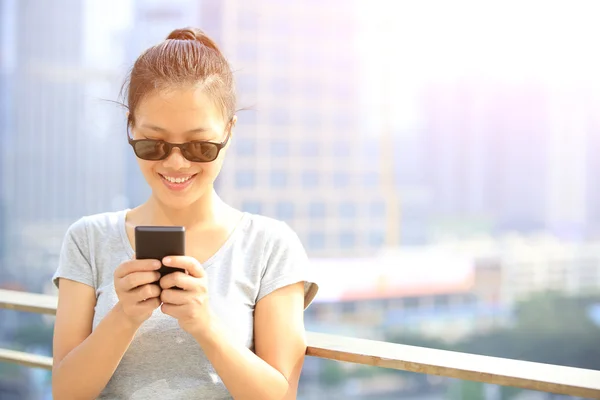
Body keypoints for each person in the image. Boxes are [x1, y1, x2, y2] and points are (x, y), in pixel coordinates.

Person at [50, 27, 318, 400]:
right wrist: (124, 317)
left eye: (199, 146)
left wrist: (204, 324)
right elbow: (65, 392)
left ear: (229, 132)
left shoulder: (270, 245)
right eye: (153, 144)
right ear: (130, 127)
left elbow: (280, 395)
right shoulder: (89, 239)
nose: (176, 163)